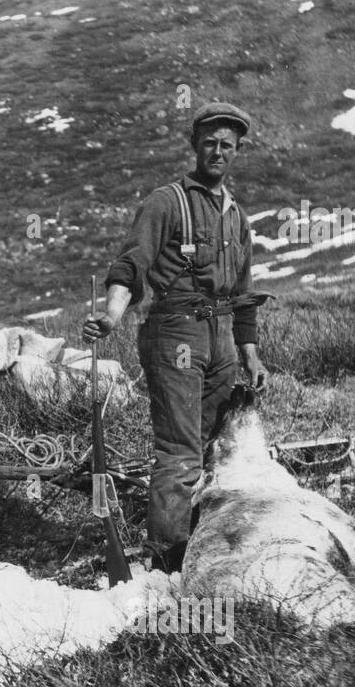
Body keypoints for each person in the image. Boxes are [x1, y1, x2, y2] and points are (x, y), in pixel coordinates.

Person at [82, 102, 268, 573]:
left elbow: (244, 292)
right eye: (209, 142)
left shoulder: (238, 217)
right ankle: (166, 565)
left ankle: (204, 545)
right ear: (194, 145)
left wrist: (250, 354)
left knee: (209, 448)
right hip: (175, 334)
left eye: (227, 144)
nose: (217, 151)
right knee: (180, 454)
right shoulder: (166, 202)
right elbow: (131, 263)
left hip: (221, 340)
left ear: (238, 151)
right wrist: (111, 315)